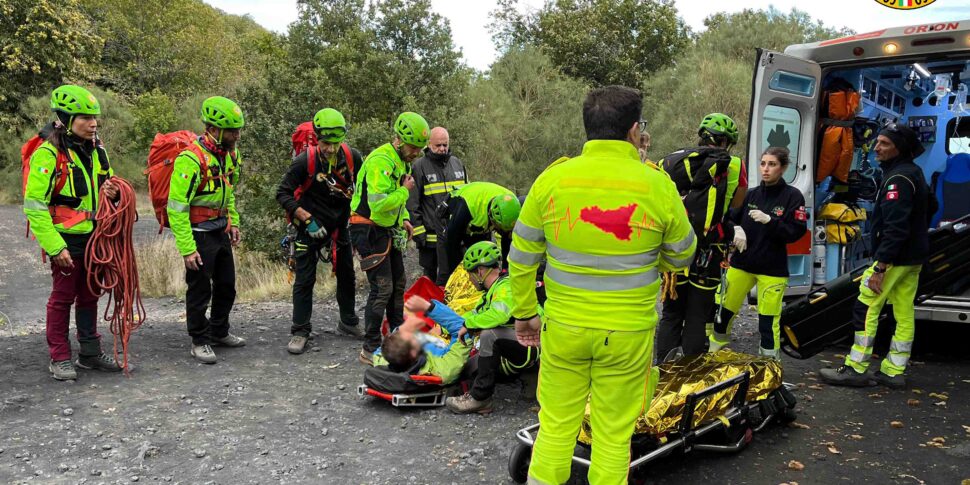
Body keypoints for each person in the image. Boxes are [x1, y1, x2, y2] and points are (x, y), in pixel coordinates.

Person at [510, 85, 696, 485]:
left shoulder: (552, 180)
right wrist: (649, 258)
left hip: (564, 329)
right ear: (634, 130)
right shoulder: (657, 184)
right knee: (613, 437)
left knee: (556, 427)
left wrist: (525, 313)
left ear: (588, 129)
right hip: (627, 334)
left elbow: (522, 256)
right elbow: (683, 255)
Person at [23, 85, 123, 380]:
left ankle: (90, 354)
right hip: (65, 238)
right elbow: (34, 206)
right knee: (62, 297)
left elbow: (109, 187)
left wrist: (114, 193)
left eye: (95, 118)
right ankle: (59, 357)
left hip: (95, 236)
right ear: (66, 119)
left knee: (90, 294)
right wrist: (55, 247)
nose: (93, 123)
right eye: (85, 118)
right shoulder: (48, 154)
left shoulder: (98, 149)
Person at [820, 124, 931, 389]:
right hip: (912, 259)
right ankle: (894, 370)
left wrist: (880, 267)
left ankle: (856, 367)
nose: (876, 148)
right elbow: (931, 207)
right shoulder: (914, 173)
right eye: (877, 142)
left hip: (894, 260)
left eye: (884, 143)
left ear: (899, 148)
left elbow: (895, 227)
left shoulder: (897, 180)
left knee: (865, 306)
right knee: (904, 312)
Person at [404, 241, 540, 414]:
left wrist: (469, 325)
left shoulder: (507, 287)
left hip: (534, 345)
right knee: (467, 367)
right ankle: (527, 377)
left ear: (480, 271)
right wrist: (437, 319)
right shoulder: (488, 295)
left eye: (470, 275)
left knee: (490, 335)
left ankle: (481, 399)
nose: (469, 280)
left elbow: (499, 315)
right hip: (519, 347)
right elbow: (468, 319)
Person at [656, 113, 748, 360]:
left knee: (672, 312)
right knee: (698, 314)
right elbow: (737, 203)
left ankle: (664, 371)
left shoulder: (671, 161)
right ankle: (689, 375)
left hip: (677, 248)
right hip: (710, 249)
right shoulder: (735, 165)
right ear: (725, 142)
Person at [276, 108, 363, 354]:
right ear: (317, 139)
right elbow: (282, 193)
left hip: (340, 226)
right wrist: (304, 217)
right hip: (310, 225)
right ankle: (300, 331)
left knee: (347, 275)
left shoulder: (352, 157)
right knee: (305, 279)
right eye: (326, 143)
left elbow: (363, 188)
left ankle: (348, 322)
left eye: (335, 143)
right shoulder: (304, 161)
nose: (331, 148)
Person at [168, 96, 246, 364]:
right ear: (214, 129)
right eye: (232, 131)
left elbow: (229, 192)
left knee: (227, 286)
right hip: (199, 233)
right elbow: (176, 208)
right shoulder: (190, 159)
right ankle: (199, 340)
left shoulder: (230, 155)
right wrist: (187, 249)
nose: (237, 136)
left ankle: (219, 331)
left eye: (237, 130)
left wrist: (233, 221)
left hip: (220, 230)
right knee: (200, 289)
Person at [709, 147, 807, 359]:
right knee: (723, 311)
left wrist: (771, 221)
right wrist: (735, 229)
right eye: (763, 163)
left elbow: (795, 232)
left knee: (767, 322)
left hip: (772, 269)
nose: (766, 169)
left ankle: (768, 365)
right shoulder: (751, 194)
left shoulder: (793, 197)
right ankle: (714, 353)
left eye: (772, 164)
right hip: (743, 263)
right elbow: (729, 217)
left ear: (783, 168)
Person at [350, 112, 429, 365]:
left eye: (419, 148)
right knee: (382, 287)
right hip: (368, 229)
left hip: (388, 229)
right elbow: (380, 203)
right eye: (414, 147)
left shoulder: (401, 160)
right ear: (399, 140)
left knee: (398, 283)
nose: (417, 152)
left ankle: (397, 334)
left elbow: (395, 203)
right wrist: (405, 193)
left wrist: (404, 218)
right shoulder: (381, 161)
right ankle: (369, 347)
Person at [407, 126, 468, 285]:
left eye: (445, 145)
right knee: (431, 280)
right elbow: (412, 203)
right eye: (438, 145)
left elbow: (467, 197)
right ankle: (430, 307)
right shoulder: (419, 167)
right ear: (429, 145)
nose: (442, 149)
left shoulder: (457, 164)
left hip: (455, 237)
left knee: (456, 278)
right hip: (430, 239)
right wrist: (419, 234)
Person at [443, 181, 521, 277]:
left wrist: (506, 270)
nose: (499, 231)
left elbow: (507, 240)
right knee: (448, 265)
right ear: (491, 216)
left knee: (484, 259)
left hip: (479, 223)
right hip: (456, 210)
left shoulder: (512, 206)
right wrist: (455, 276)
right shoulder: (467, 208)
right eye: (499, 227)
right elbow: (451, 244)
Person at [373, 312, 470, 386]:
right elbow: (463, 332)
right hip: (443, 346)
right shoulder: (442, 370)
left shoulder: (384, 360)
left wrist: (401, 329)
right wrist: (431, 307)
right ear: (413, 352)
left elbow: (381, 350)